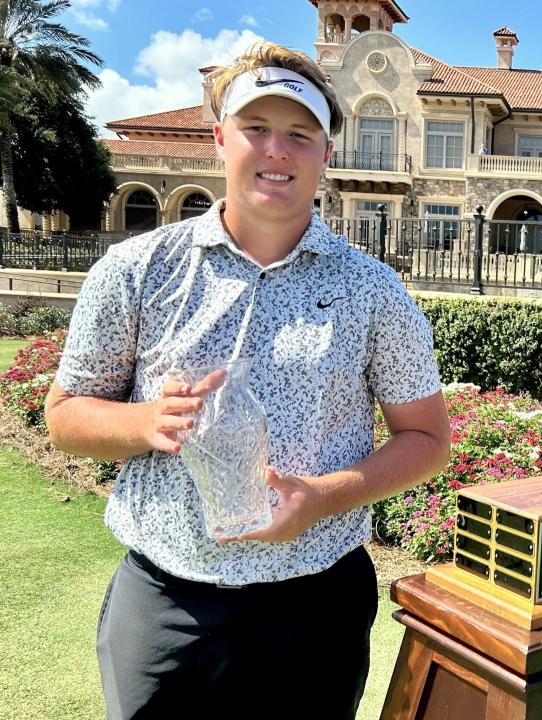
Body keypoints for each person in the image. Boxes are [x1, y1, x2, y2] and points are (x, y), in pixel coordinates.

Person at [44, 42, 450, 719]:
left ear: (326, 154)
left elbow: (429, 437)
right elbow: (65, 416)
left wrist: (321, 497)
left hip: (314, 600)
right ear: (219, 139)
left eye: (299, 134)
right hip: (168, 600)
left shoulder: (372, 290)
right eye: (255, 128)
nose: (276, 151)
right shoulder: (137, 270)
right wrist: (142, 423)